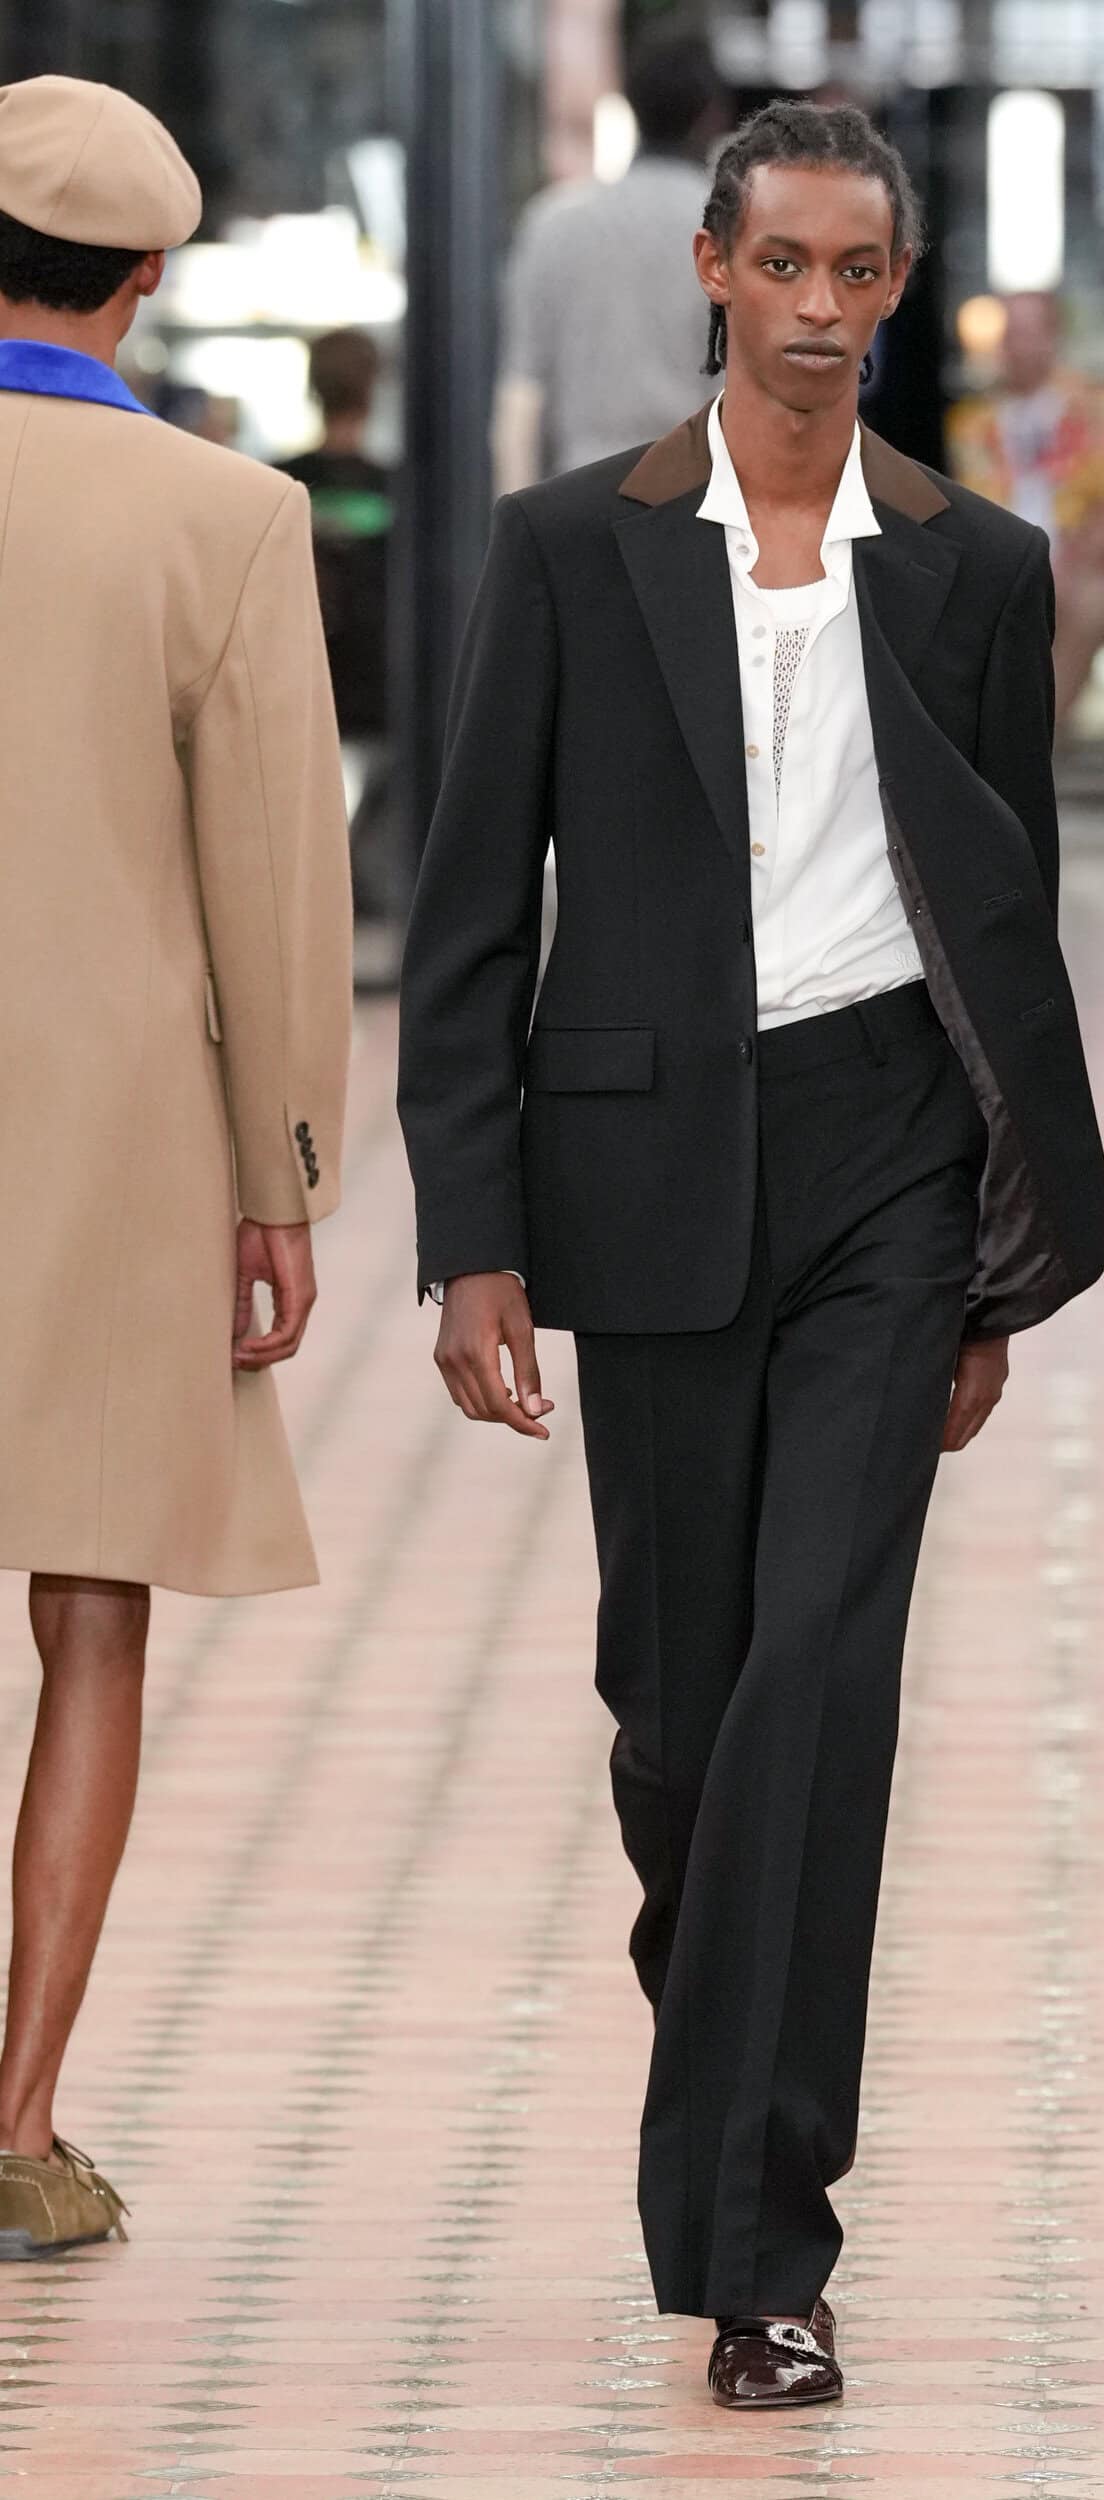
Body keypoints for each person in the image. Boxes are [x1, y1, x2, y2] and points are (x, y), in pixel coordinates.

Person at [398, 98, 1104, 2410]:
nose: (818, 307)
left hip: (889, 1159)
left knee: (816, 1679)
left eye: (856, 271)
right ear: (709, 267)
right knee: (683, 1716)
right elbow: (469, 913)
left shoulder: (974, 570)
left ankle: (761, 2250)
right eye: (781, 263)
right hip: (648, 1179)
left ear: (898, 292)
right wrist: (472, 1234)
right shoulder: (567, 548)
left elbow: (1007, 918)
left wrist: (990, 1264)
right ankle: (717, 1983)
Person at [0, 76, 352, 2254]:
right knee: (91, 1606)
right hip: (117, 1126)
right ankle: (20, 2120)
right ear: (146, 279)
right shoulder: (221, 519)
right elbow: (275, 880)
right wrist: (282, 1175)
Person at [494, 25, 731, 489]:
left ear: (628, 104)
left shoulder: (553, 224)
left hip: (575, 492)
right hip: (691, 493)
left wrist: (511, 512)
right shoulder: (734, 232)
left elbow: (521, 397)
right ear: (711, 116)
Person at [947, 290, 1104, 732]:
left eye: (1027, 332)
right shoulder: (973, 423)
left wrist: (1061, 566)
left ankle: (1032, 741)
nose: (1015, 345)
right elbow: (969, 518)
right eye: (1008, 333)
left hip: (1087, 570)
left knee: (1094, 601)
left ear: (1054, 336)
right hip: (1003, 570)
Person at [278, 329, 400, 945]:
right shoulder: (398, 488)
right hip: (379, 684)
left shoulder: (282, 484)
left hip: (304, 678)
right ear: (373, 391)